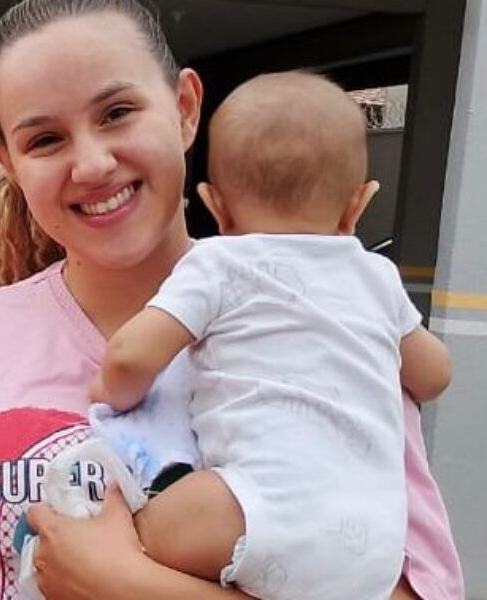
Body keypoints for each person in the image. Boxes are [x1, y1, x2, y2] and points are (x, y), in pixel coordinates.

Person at [0, 1, 464, 599]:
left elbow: (399, 585)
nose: (93, 163)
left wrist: (126, 585)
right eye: (44, 140)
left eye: (117, 113)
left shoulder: (323, 324)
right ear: (5, 160)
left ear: (186, 107)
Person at [86, 70, 452, 599]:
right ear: (358, 204)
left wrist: (114, 392)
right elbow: (434, 374)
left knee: (137, 524)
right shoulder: (374, 276)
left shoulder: (216, 263)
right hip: (372, 545)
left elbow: (129, 355)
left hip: (252, 508)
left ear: (216, 206)